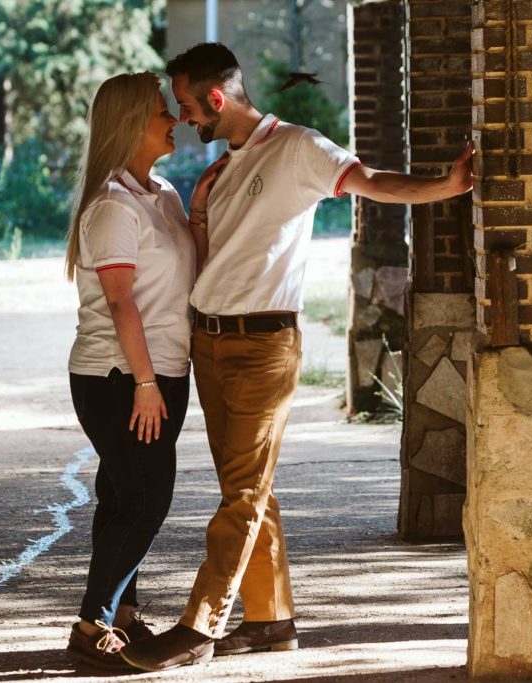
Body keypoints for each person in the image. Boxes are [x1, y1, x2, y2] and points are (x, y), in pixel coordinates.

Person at [119, 42, 473, 673]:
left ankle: (201, 624)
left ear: (217, 99)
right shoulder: (220, 171)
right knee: (246, 488)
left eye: (188, 106)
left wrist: (445, 185)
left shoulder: (300, 149)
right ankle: (271, 621)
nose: (184, 118)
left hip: (265, 348)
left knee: (244, 493)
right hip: (209, 344)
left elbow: (372, 182)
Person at [64, 71, 224, 669]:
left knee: (124, 495)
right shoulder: (111, 205)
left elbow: (186, 274)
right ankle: (92, 626)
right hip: (120, 379)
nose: (175, 118)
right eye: (163, 110)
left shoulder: (160, 194)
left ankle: (122, 618)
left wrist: (207, 202)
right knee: (146, 498)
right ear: (131, 124)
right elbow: (120, 303)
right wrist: (147, 384)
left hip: (159, 374)